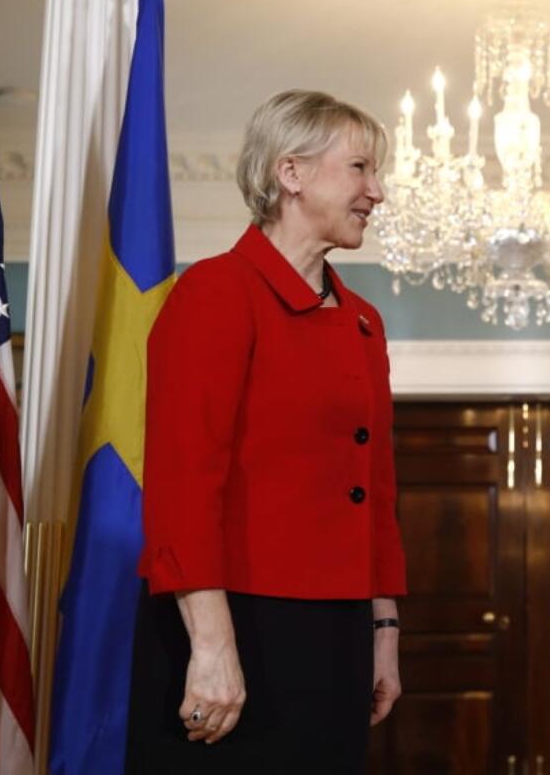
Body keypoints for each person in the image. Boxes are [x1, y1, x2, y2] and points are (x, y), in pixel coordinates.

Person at [126, 90, 407, 774]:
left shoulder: (365, 319)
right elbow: (183, 483)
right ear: (291, 173)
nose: (377, 191)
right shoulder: (216, 293)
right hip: (231, 622)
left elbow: (375, 494)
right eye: (361, 169)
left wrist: (383, 631)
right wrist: (214, 646)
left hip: (338, 633)